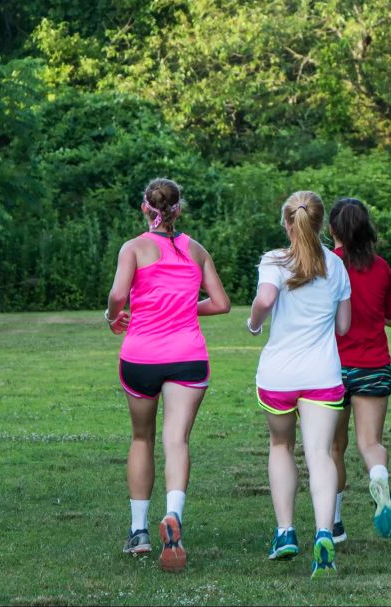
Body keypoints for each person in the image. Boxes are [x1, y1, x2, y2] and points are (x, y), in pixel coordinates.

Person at [105, 177, 230, 573]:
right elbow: (222, 303)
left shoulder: (134, 248)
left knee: (142, 437)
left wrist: (112, 316)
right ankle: (173, 515)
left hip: (141, 357)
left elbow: (117, 296)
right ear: (178, 210)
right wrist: (182, 309)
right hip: (188, 357)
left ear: (146, 208)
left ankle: (139, 531)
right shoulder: (196, 249)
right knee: (177, 439)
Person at [247, 190, 351, 579]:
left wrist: (255, 323)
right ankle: (324, 533)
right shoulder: (336, 266)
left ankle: (286, 532)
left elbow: (266, 297)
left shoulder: (274, 260)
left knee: (281, 446)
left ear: (287, 223)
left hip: (279, 375)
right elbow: (343, 326)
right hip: (322, 374)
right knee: (320, 453)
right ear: (320, 223)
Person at [327, 198, 391, 543]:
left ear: (332, 230)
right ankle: (379, 475)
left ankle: (336, 523)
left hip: (331, 368)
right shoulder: (381, 267)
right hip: (373, 365)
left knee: (333, 448)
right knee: (370, 442)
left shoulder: (326, 266)